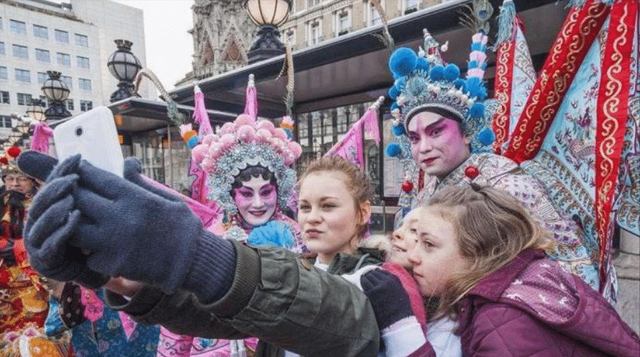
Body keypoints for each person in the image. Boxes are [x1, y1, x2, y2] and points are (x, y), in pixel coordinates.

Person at [385, 29, 605, 299]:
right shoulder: (424, 194)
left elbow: (572, 262)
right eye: (415, 138)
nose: (424, 148)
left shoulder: (508, 185)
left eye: (436, 132)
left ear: (466, 132)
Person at [364, 184, 639, 356]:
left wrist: (401, 329)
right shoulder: (532, 276)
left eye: (428, 245)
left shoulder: (502, 322)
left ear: (478, 255)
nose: (413, 256)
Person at [157, 112, 304, 357]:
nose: (258, 203)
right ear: (230, 195)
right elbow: (182, 316)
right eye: (247, 193)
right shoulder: (209, 242)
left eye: (266, 191)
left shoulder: (300, 236)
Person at [0, 147, 72, 356]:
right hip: (6, 286)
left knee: (39, 334)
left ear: (33, 180)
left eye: (20, 179)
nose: (14, 184)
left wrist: (21, 248)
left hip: (38, 284)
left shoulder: (46, 204)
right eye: (10, 178)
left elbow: (57, 238)